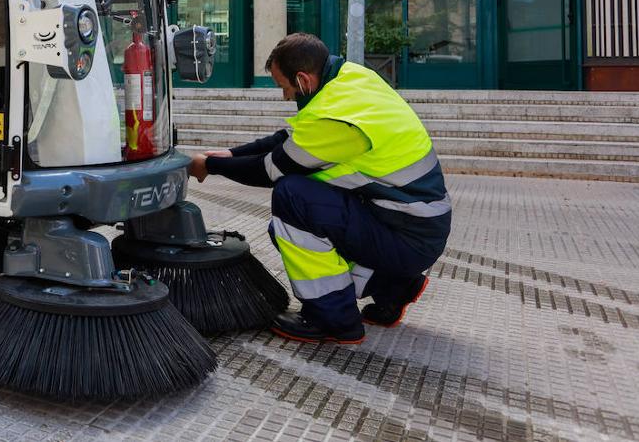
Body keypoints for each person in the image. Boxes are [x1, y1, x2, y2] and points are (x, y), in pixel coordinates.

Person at [187, 33, 451, 344]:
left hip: (405, 236)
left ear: (302, 80)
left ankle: (332, 318)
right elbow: (287, 141)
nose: (286, 96)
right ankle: (393, 286)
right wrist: (229, 155)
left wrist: (209, 166)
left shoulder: (337, 120)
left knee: (293, 197)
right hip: (416, 228)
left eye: (284, 87)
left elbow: (271, 168)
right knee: (286, 229)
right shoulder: (350, 81)